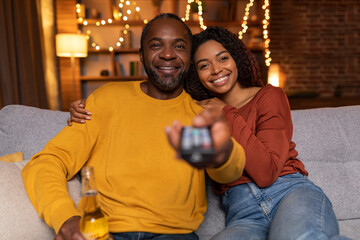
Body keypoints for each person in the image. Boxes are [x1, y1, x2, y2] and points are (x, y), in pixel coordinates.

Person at [70, 26, 352, 240]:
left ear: (236, 58)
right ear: (195, 74)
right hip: (242, 214)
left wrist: (226, 113)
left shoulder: (269, 96)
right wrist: (88, 109)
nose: (216, 70)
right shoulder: (196, 111)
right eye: (204, 65)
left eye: (222, 58)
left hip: (290, 193)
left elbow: (266, 172)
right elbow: (150, 119)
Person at [21, 14, 246, 240]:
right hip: (106, 232)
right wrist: (66, 218)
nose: (168, 54)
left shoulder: (198, 115)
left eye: (179, 46)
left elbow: (228, 172)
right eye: (156, 45)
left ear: (190, 56)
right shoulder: (106, 100)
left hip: (174, 235)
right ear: (141, 55)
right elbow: (47, 162)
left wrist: (224, 152)